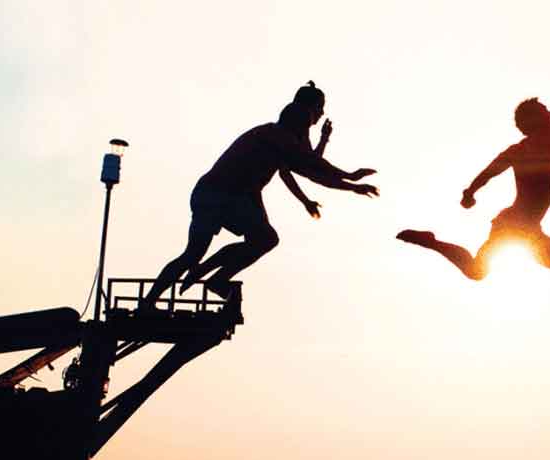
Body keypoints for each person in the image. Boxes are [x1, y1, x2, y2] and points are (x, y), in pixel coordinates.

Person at [397, 52, 550, 343]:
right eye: (545, 110)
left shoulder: (526, 146)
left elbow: (489, 171)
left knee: (480, 271)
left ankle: (432, 242)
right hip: (515, 226)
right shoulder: (543, 140)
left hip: (524, 228)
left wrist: (471, 192)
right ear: (535, 122)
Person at [141, 82, 377, 307]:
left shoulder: (283, 138)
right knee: (197, 254)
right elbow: (312, 168)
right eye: (319, 109)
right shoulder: (277, 137)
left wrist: (349, 182)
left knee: (260, 240)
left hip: (233, 195)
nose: (321, 114)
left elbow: (311, 166)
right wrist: (351, 179)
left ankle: (211, 277)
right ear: (307, 112)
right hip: (220, 194)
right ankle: (165, 294)